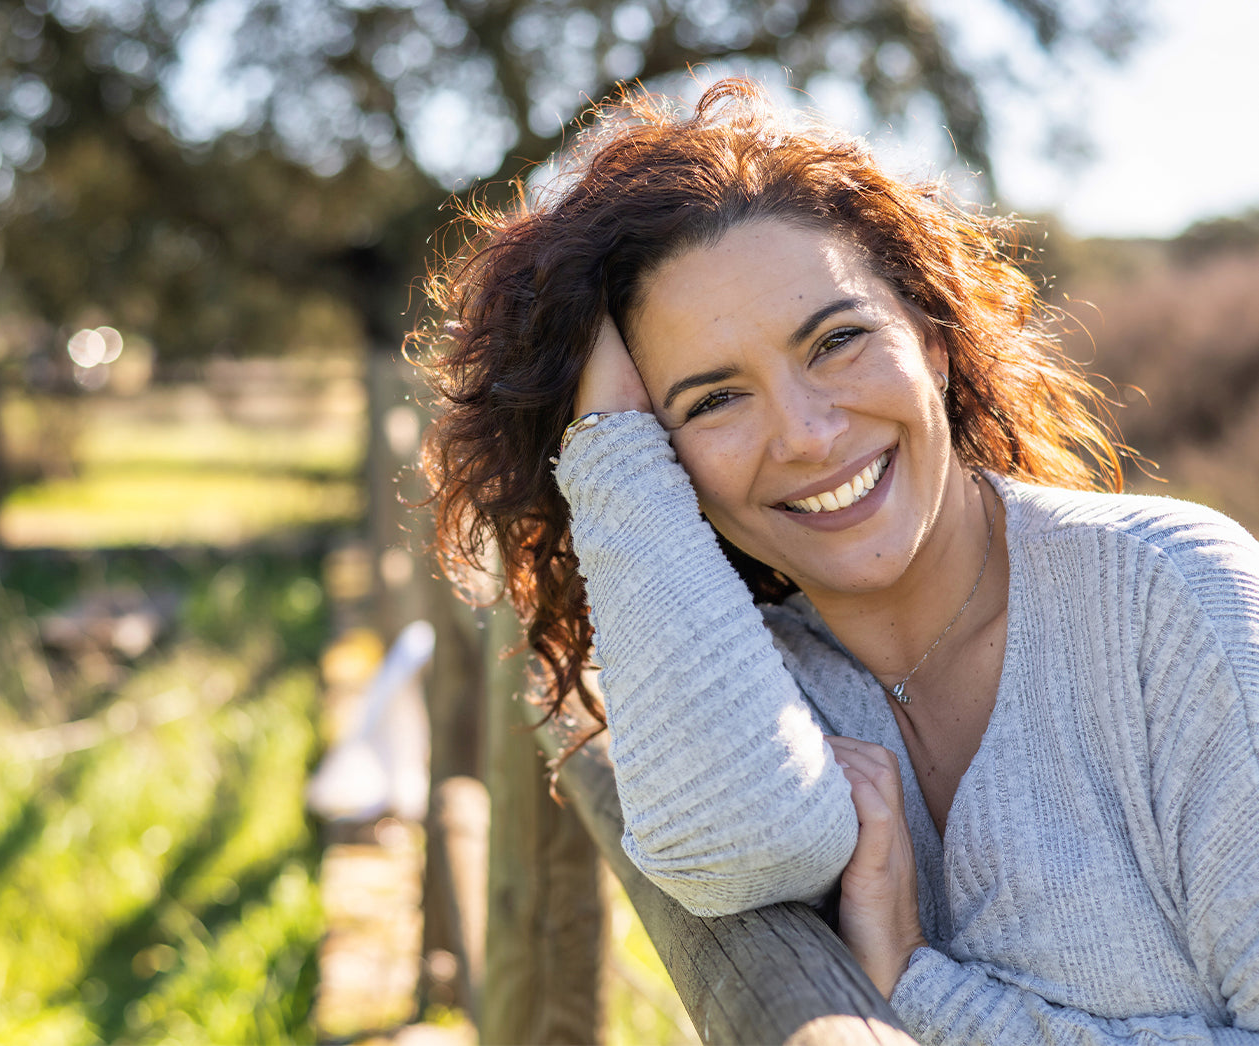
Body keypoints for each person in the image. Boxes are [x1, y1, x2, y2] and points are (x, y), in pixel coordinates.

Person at [411, 78, 1259, 1043]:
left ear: (932, 341)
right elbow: (737, 848)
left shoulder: (1170, 598)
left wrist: (916, 991)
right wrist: (606, 440)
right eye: (711, 401)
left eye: (838, 341)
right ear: (662, 461)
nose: (808, 435)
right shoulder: (752, 687)